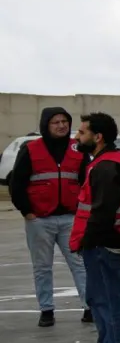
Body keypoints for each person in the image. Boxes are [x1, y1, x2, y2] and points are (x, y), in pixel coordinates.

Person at [69, 112, 120, 343]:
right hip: (105, 243)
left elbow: (102, 212)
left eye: (82, 132)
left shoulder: (107, 167)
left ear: (98, 137)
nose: (76, 136)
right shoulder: (108, 162)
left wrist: (86, 242)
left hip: (105, 244)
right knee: (98, 300)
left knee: (109, 301)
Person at [7, 107, 92, 327]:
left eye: (65, 121)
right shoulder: (31, 149)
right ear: (46, 125)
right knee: (42, 266)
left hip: (70, 219)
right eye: (56, 122)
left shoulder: (79, 148)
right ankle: (46, 310)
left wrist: (83, 211)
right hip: (39, 220)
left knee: (80, 264)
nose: (62, 125)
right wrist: (27, 211)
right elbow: (17, 183)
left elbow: (87, 182)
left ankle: (89, 307)